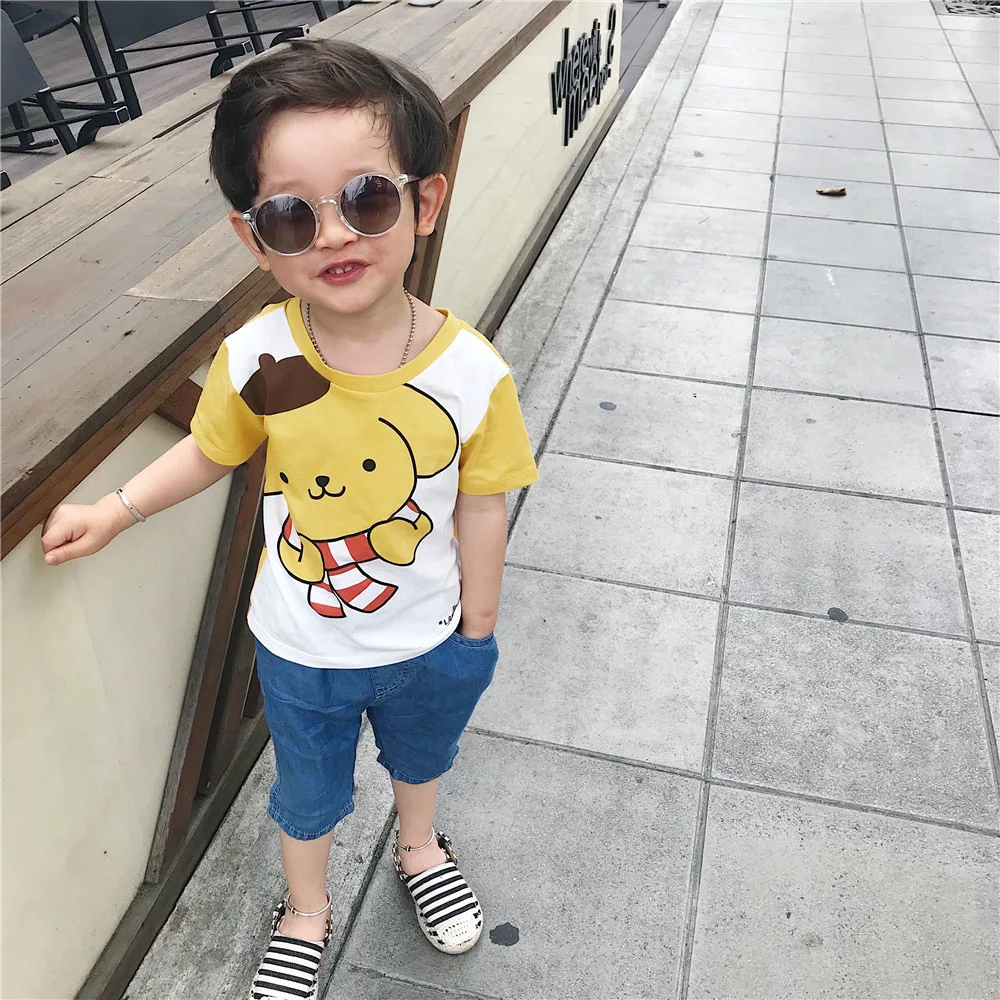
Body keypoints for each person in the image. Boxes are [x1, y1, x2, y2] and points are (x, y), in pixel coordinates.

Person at [41, 37, 538, 1000]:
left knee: (422, 758)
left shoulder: (471, 374)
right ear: (254, 238)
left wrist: (476, 635)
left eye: (368, 198)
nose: (335, 236)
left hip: (429, 637)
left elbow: (483, 503)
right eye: (290, 215)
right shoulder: (260, 358)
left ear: (425, 202)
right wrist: (116, 509)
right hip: (301, 646)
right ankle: (304, 911)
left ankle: (420, 847)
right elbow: (211, 450)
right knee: (307, 794)